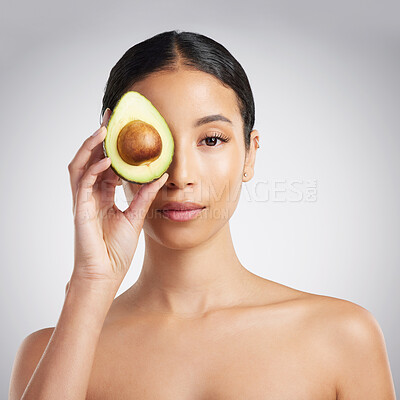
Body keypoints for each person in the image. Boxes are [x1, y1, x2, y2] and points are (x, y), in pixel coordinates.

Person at [9, 30, 396, 400]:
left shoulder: (343, 336)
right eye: (153, 141)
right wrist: (90, 285)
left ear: (251, 154)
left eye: (211, 140)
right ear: (113, 153)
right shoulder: (49, 353)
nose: (181, 176)